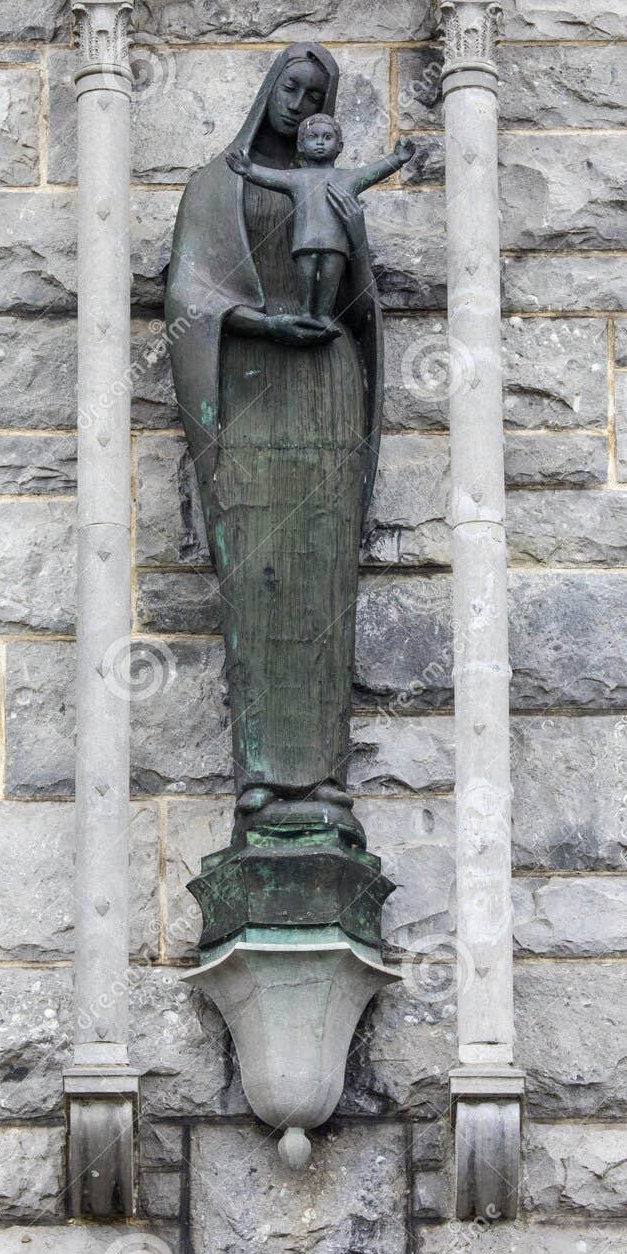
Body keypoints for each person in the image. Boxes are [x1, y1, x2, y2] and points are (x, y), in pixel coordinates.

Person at [165, 45, 384, 834]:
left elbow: (361, 299)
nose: (298, 103)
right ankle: (260, 776)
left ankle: (324, 778)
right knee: (257, 574)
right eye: (289, 88)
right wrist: (260, 321)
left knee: (322, 576)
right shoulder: (215, 186)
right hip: (250, 389)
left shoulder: (329, 181)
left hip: (324, 383)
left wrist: (347, 251)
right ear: (268, 91)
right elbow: (188, 291)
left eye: (315, 93)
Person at [226, 114, 413, 328]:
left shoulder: (348, 178)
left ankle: (323, 313)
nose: (320, 143)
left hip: (335, 243)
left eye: (327, 137)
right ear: (301, 145)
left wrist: (397, 159)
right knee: (306, 273)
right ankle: (305, 311)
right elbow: (271, 177)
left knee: (330, 275)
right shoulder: (297, 178)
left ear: (339, 145)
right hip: (305, 240)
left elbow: (372, 171)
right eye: (313, 137)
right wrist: (249, 170)